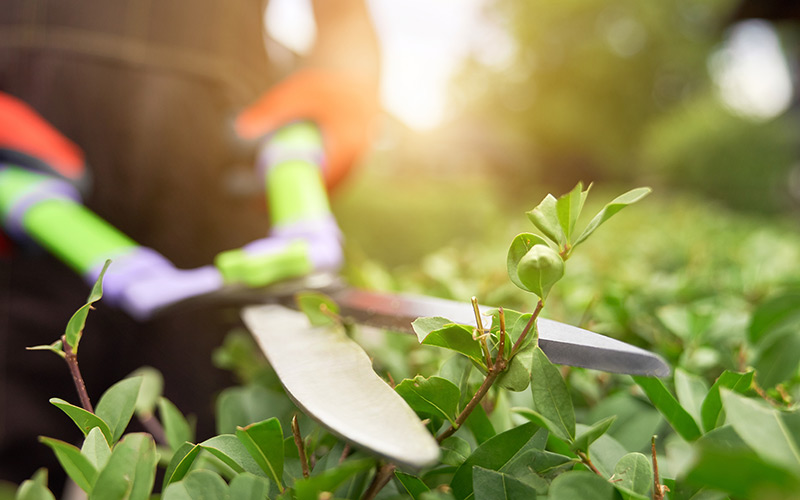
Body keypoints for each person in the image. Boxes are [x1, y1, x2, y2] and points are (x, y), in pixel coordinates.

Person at [0, 0, 380, 490]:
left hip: (214, 169)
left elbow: (344, 16)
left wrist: (341, 76)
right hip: (25, 134)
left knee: (198, 461)